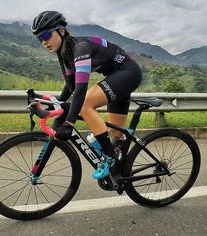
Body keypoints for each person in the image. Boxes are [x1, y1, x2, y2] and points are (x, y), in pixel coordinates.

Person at [32, 10, 142, 180]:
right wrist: (57, 103)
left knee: (84, 105)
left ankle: (109, 157)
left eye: (46, 35)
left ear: (61, 31)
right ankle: (120, 173)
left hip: (128, 73)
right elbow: (71, 85)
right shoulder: (65, 51)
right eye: (40, 39)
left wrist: (69, 122)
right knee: (115, 137)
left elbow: (81, 90)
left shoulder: (79, 48)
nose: (44, 42)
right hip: (116, 77)